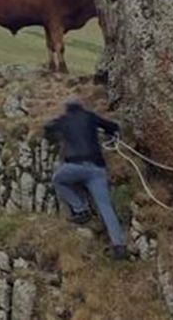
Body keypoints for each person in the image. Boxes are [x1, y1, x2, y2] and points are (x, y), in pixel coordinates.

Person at [44, 99, 127, 260]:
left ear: (67, 109)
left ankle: (81, 209)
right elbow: (113, 127)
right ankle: (119, 246)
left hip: (75, 166)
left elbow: (47, 128)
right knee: (105, 206)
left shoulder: (64, 119)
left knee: (58, 179)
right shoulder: (90, 116)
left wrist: (56, 132)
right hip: (97, 169)